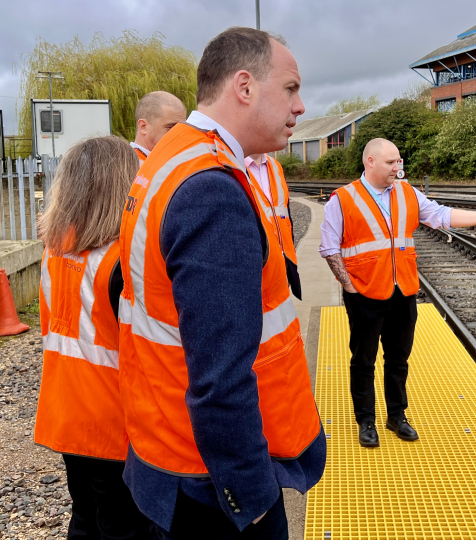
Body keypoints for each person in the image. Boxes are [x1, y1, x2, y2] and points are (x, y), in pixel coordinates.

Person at [118, 27, 325, 540]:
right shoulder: (211, 190)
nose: (300, 107)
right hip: (208, 484)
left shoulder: (169, 161)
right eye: (292, 88)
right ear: (245, 86)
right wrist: (250, 497)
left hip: (164, 444)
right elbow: (220, 375)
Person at [319, 138, 476, 448]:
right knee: (363, 360)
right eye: (391, 163)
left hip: (403, 290)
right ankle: (366, 420)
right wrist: (349, 287)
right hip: (365, 293)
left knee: (398, 359)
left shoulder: (408, 193)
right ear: (370, 162)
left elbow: (440, 216)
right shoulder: (342, 200)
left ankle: (396, 416)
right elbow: (330, 248)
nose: (398, 168)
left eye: (399, 162)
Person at [34, 136, 150, 539]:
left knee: (84, 514)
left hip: (65, 407)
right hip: (112, 418)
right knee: (124, 524)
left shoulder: (56, 248)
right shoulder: (123, 260)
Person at [245, 152, 301, 298]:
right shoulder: (230, 164)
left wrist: (289, 266)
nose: (290, 127)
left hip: (282, 268)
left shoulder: (275, 166)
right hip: (254, 275)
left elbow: (285, 218)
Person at [130, 91, 187, 162]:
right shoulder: (129, 166)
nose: (178, 136)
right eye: (170, 128)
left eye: (181, 129)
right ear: (143, 126)